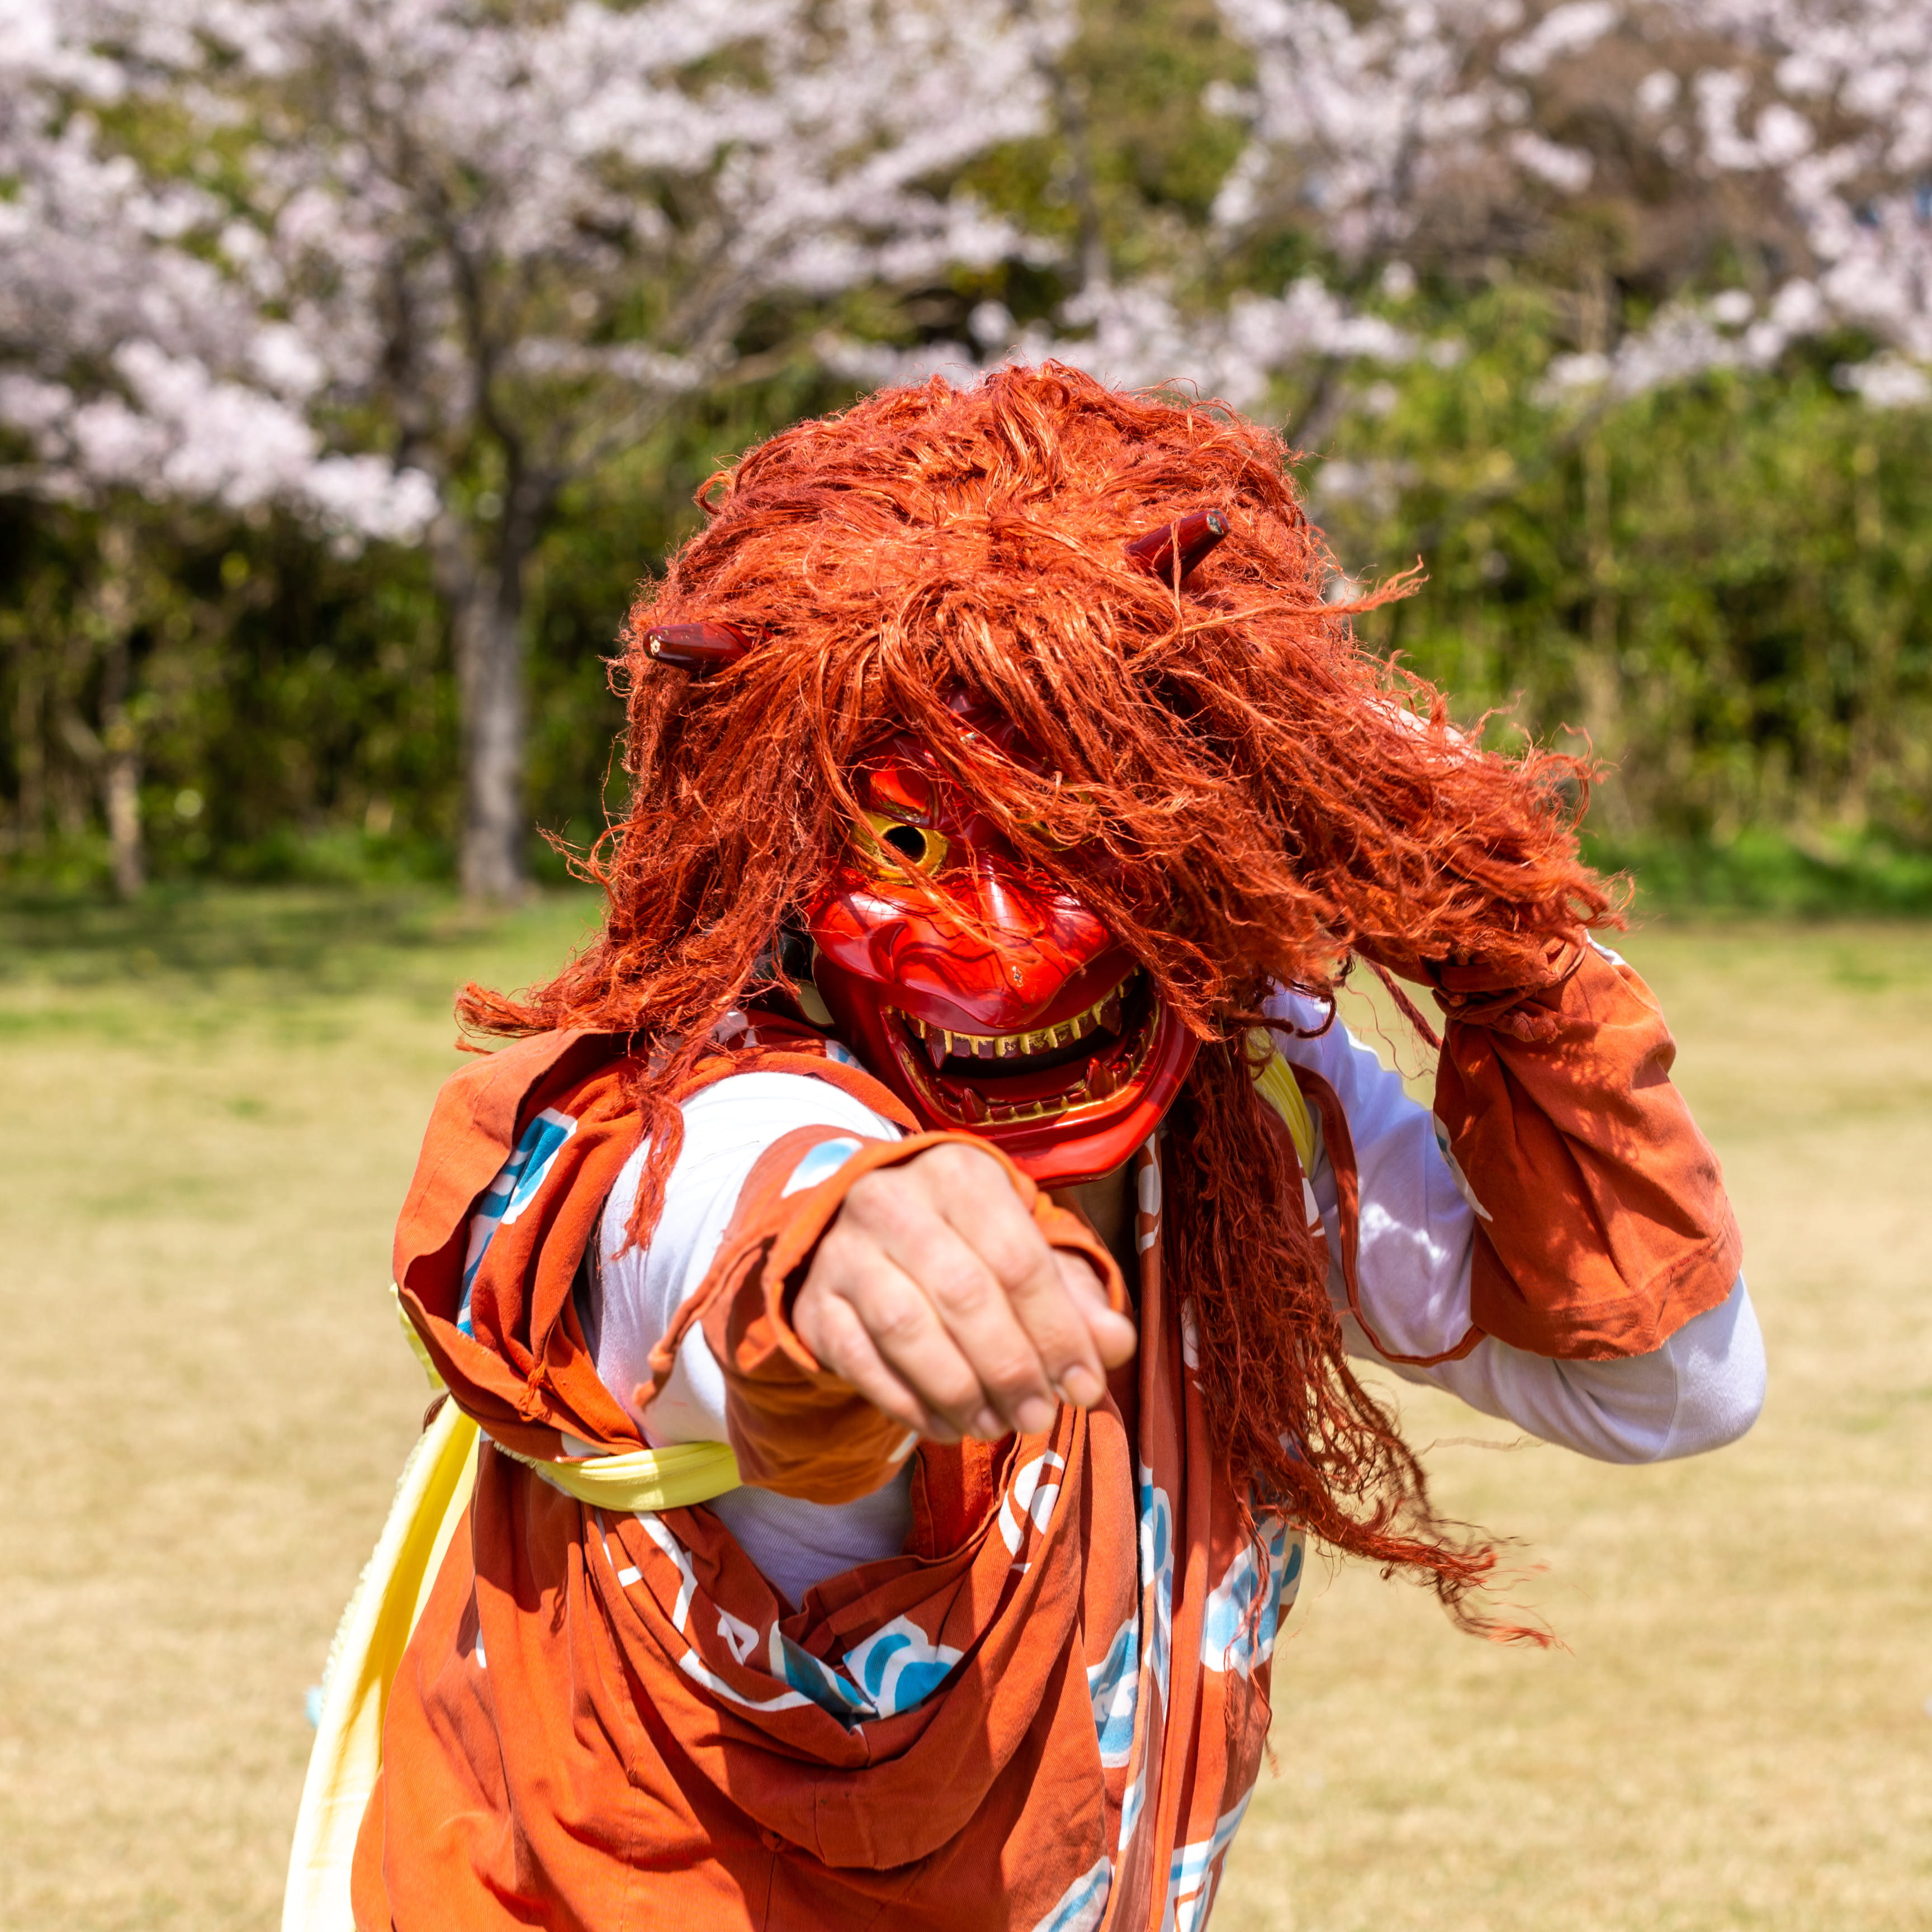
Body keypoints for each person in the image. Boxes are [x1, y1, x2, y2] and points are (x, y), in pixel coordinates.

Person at [345, 365, 1762, 1931]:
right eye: (911, 843)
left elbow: (1670, 1382)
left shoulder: (1251, 1110)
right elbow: (689, 1218)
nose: (1005, 950)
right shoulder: (708, 1108)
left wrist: (1486, 900)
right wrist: (846, 1240)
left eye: (1091, 823)